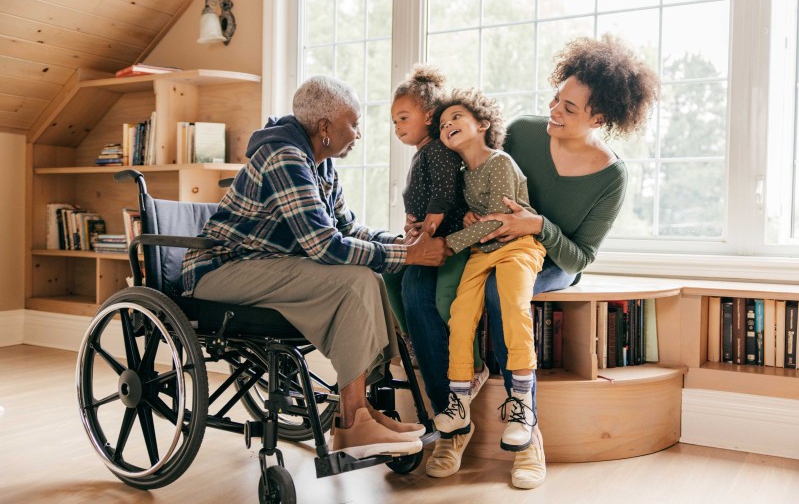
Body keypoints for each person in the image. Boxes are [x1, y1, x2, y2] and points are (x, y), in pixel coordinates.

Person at [402, 35, 659, 487]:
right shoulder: (522, 131)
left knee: (502, 295)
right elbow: (474, 176)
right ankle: (453, 420)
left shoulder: (610, 176)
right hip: (488, 243)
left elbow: (581, 256)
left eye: (570, 109)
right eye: (556, 99)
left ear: (599, 118)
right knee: (416, 286)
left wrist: (537, 225)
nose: (554, 112)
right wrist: (460, 214)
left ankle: (527, 431)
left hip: (549, 257)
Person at [181, 75, 452, 460]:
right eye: (353, 123)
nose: (358, 133)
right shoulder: (284, 157)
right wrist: (410, 256)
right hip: (220, 273)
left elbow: (346, 228)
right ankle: (353, 420)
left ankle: (359, 414)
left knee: (368, 276)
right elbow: (323, 246)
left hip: (266, 267)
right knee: (356, 280)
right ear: (324, 128)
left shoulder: (320, 165)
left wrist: (400, 243)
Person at [429, 88, 546, 458]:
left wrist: (450, 243)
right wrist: (466, 219)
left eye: (457, 118)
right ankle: (458, 399)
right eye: (443, 123)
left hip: (517, 246)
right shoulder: (463, 174)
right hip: (483, 251)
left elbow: (497, 221)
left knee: (513, 305)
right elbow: (477, 217)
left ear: (482, 123)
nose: (448, 125)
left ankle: (522, 404)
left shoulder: (500, 162)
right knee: (461, 314)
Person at [382, 65, 482, 374]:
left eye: (403, 118)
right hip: (427, 234)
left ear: (428, 116)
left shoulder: (438, 150)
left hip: (448, 238)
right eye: (394, 121)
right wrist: (414, 225)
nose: (397, 127)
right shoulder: (422, 152)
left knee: (440, 298)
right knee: (388, 274)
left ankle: (468, 364)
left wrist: (426, 229)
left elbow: (444, 194)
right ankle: (411, 338)